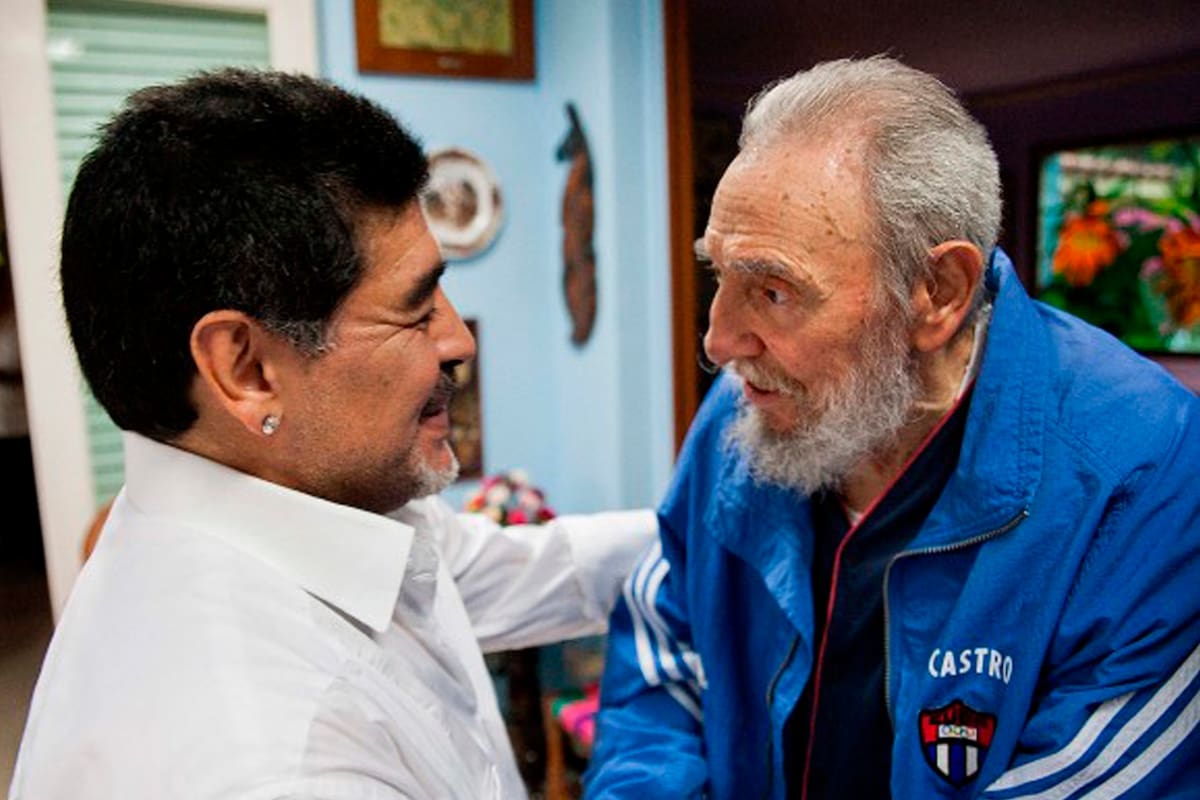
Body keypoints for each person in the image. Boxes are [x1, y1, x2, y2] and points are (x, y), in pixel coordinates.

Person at [11, 69, 654, 800]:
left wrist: (724, 519)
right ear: (246, 368)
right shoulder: (276, 761)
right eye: (414, 311)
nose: (458, 341)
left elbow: (525, 569)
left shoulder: (314, 505)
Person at [586, 56, 1200, 799]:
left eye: (773, 290)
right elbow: (666, 650)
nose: (719, 343)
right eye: (721, 276)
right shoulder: (743, 415)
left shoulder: (1145, 470)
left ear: (937, 293)